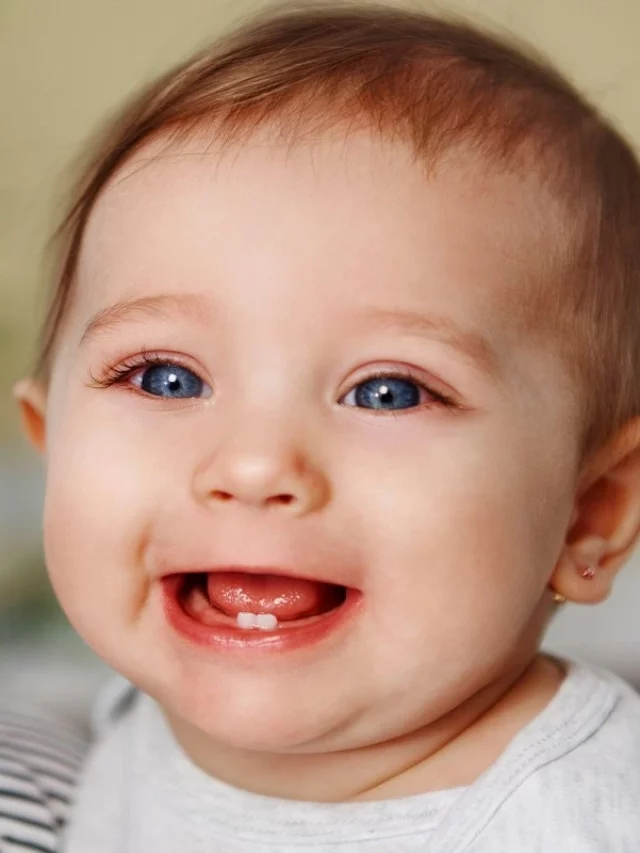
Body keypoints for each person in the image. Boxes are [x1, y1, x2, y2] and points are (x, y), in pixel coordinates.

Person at [8, 2, 640, 850]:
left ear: (588, 510)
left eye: (388, 391)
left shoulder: (584, 818)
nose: (256, 462)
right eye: (166, 376)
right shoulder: (128, 715)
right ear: (52, 448)